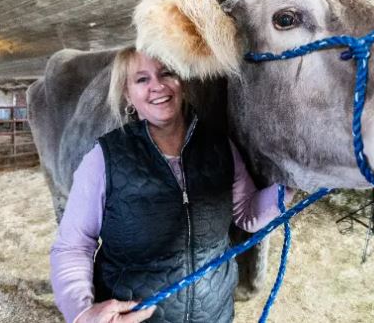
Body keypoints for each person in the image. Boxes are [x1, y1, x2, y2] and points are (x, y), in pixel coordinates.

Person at [51, 46, 293, 323]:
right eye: (142, 79)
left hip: (214, 315)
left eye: (166, 73)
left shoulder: (220, 146)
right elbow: (73, 246)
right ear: (128, 94)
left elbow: (246, 213)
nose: (157, 86)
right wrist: (81, 313)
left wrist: (290, 183)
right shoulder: (104, 158)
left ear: (182, 82)